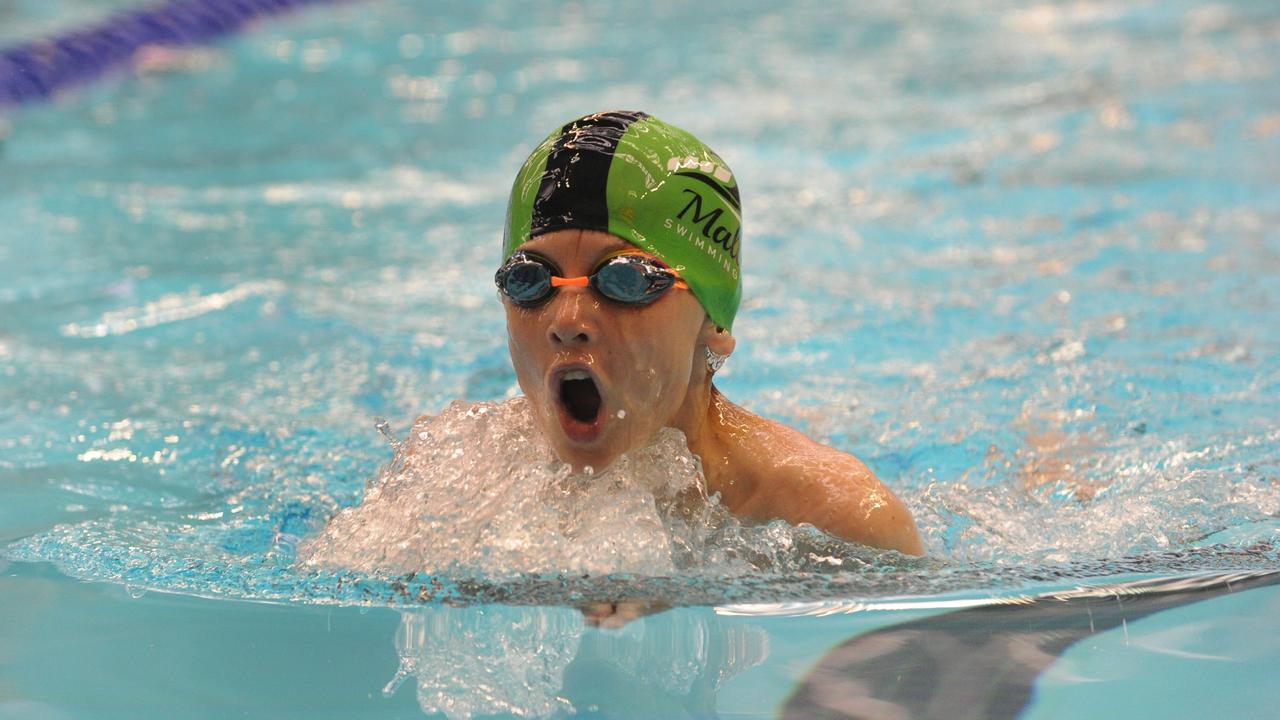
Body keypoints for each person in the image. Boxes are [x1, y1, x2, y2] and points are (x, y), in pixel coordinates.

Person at [495, 110, 924, 556]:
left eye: (625, 280)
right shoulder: (462, 478)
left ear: (713, 322)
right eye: (531, 279)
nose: (567, 322)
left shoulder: (840, 517)